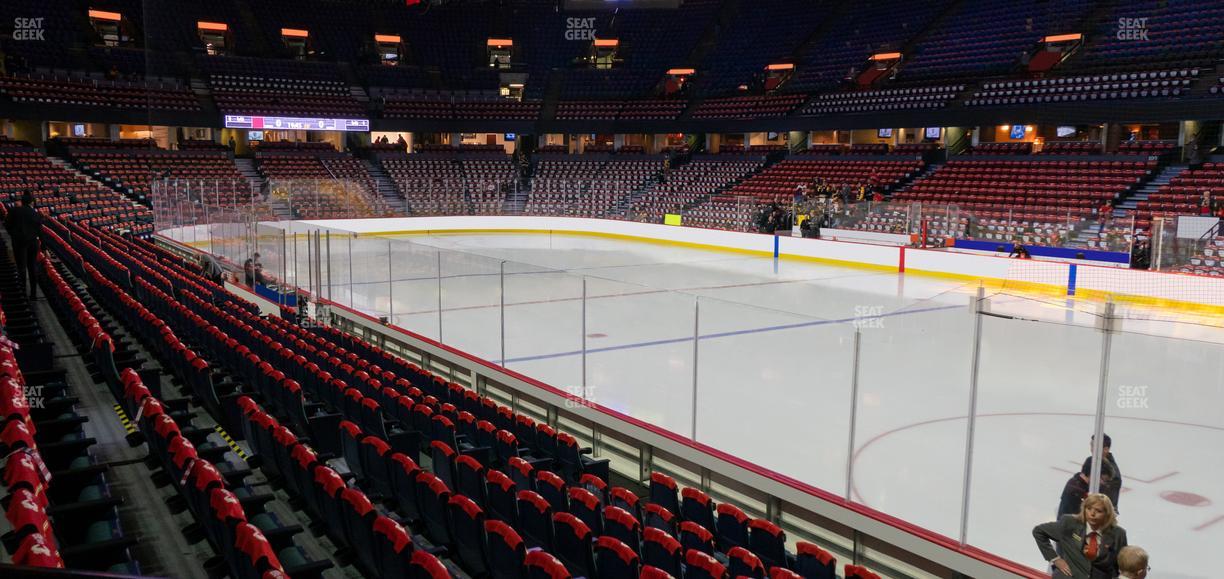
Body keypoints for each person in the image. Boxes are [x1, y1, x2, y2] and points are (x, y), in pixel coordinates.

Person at [1034, 493, 1127, 579]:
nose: (1092, 514)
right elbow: (1039, 531)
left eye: (1098, 511)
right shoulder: (1070, 523)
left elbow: (1123, 565)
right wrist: (1055, 559)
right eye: (1089, 508)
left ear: (1107, 514)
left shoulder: (1118, 534)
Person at [5, 192, 42, 300]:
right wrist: (44, 247)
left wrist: (13, 234)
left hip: (19, 242)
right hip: (32, 242)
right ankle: (34, 294)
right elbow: (40, 230)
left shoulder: (14, 211)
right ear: (31, 202)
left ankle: (23, 293)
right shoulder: (34, 213)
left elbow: (7, 225)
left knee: (21, 267)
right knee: (32, 267)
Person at [1081, 434, 1122, 511]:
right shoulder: (1090, 461)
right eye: (1091, 445)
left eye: (1094, 446)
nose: (1092, 449)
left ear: (1105, 449)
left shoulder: (1113, 473)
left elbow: (1108, 498)